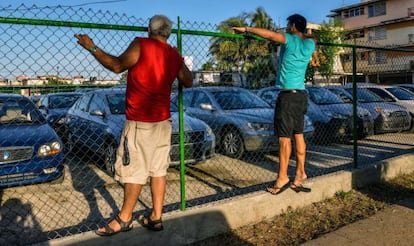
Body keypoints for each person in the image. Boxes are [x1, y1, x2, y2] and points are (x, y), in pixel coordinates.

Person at [74, 14, 193, 235]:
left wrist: (92, 48)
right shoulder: (173, 53)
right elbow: (188, 80)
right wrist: (174, 65)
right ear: (167, 33)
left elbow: (117, 66)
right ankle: (156, 216)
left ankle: (124, 218)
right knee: (158, 170)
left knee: (133, 172)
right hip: (163, 122)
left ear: (150, 30)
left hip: (140, 122)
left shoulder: (142, 44)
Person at [233, 14, 316, 195]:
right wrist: (306, 34)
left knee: (284, 139)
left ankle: (282, 177)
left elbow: (270, 35)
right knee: (298, 134)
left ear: (293, 26)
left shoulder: (290, 39)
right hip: (301, 95)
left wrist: (247, 29)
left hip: (287, 97)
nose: (286, 27)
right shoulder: (309, 44)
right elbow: (311, 37)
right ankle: (300, 173)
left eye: (288, 24)